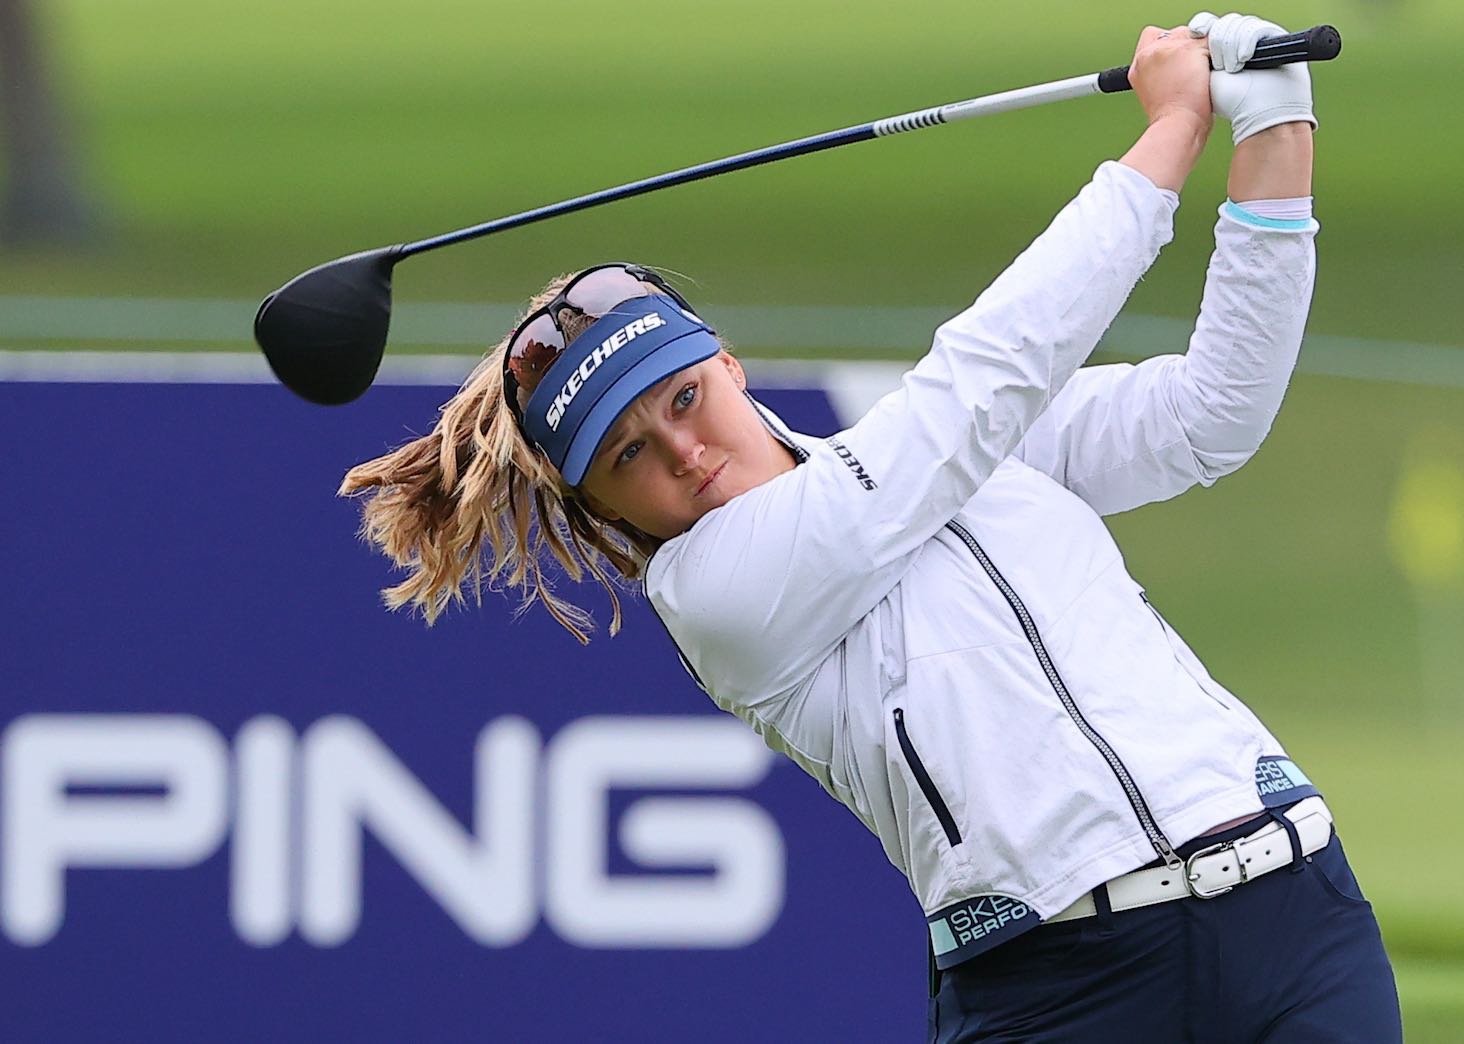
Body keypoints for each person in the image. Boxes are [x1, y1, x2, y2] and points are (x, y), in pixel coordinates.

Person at [341, 12, 1400, 1041]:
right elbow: (976, 386)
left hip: (1290, 905)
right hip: (1062, 985)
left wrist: (1272, 129)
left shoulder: (927, 446)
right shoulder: (718, 593)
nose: (681, 451)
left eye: (679, 399)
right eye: (627, 456)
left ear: (726, 365)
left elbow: (1208, 414)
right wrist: (1169, 134)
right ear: (603, 509)